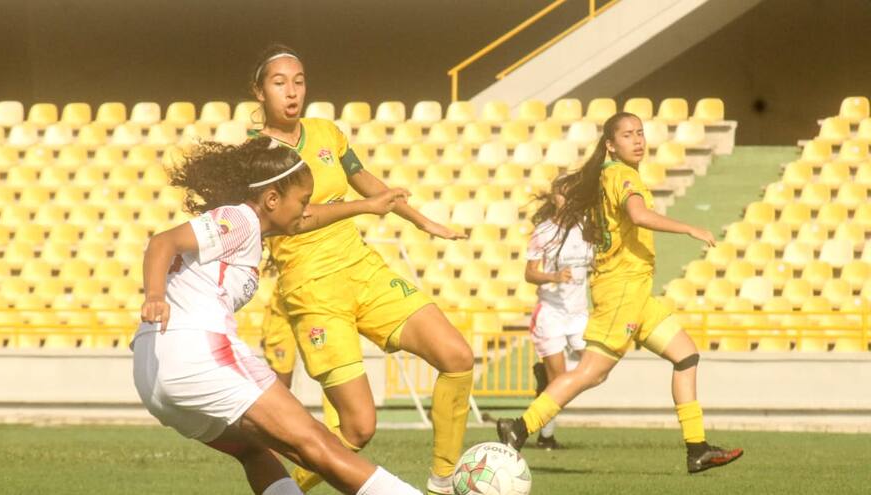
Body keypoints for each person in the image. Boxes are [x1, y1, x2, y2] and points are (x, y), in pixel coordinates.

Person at [132, 137, 421, 495]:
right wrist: (155, 297)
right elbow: (161, 243)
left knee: (254, 450)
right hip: (198, 352)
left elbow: (304, 220)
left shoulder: (250, 225)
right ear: (271, 199)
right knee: (318, 444)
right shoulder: (240, 219)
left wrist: (367, 205)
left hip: (152, 370)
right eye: (302, 200)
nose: (306, 209)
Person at [248, 44, 474, 495]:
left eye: (299, 81)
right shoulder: (257, 156)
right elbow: (295, 220)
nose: (292, 92)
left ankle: (442, 483)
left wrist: (421, 220)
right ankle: (284, 490)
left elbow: (366, 180)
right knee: (357, 429)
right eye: (279, 83)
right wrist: (364, 207)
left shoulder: (326, 132)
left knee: (457, 357)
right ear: (259, 92)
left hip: (363, 268)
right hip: (313, 289)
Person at [497, 112, 743, 474]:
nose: (638, 140)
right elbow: (639, 215)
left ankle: (697, 448)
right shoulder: (622, 175)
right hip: (622, 290)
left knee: (686, 356)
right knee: (591, 373)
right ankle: (519, 428)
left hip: (636, 292)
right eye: (627, 135)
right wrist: (690, 228)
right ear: (611, 145)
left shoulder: (607, 175)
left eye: (640, 133)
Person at [524, 176, 593, 450]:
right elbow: (529, 274)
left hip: (579, 314)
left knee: (595, 369)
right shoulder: (544, 231)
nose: (566, 199)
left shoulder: (587, 228)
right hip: (550, 313)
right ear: (554, 198)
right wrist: (553, 276)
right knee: (559, 381)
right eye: (562, 194)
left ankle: (544, 378)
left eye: (571, 194)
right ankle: (546, 437)